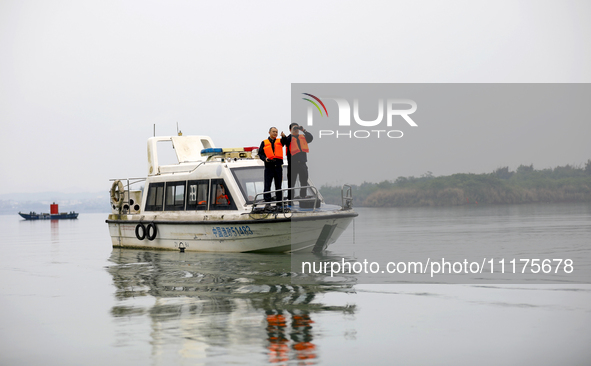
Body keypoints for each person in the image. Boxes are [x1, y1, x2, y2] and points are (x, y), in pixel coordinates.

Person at [259, 127, 287, 206]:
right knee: (267, 185)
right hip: (269, 167)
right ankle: (267, 202)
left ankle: (279, 202)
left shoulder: (280, 141)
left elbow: (285, 142)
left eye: (276, 132)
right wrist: (265, 159)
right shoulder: (264, 142)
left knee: (278, 185)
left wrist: (284, 136)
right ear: (269, 132)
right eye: (273, 131)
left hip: (278, 166)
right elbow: (260, 154)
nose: (275, 133)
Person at [285, 123, 313, 201]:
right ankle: (291, 199)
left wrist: (303, 130)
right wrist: (292, 133)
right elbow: (285, 142)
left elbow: (310, 138)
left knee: (304, 181)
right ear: (290, 130)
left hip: (302, 163)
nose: (296, 129)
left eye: (297, 128)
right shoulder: (288, 138)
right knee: (291, 183)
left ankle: (303, 196)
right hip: (292, 165)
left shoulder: (303, 137)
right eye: (294, 128)